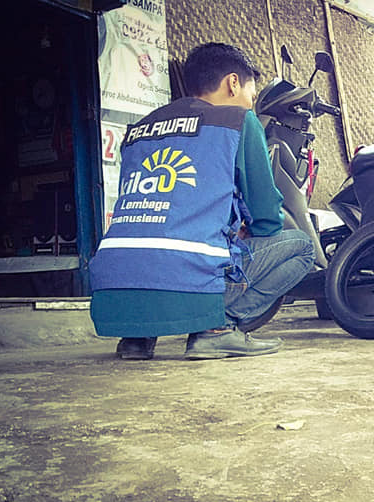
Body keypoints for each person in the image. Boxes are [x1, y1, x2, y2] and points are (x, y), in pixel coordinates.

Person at [89, 43, 315, 360]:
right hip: (187, 280)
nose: (250, 104)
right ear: (233, 83)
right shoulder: (238, 120)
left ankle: (137, 339)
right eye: (251, 95)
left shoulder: (139, 129)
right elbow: (266, 216)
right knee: (301, 247)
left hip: (113, 295)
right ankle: (216, 331)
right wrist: (246, 232)